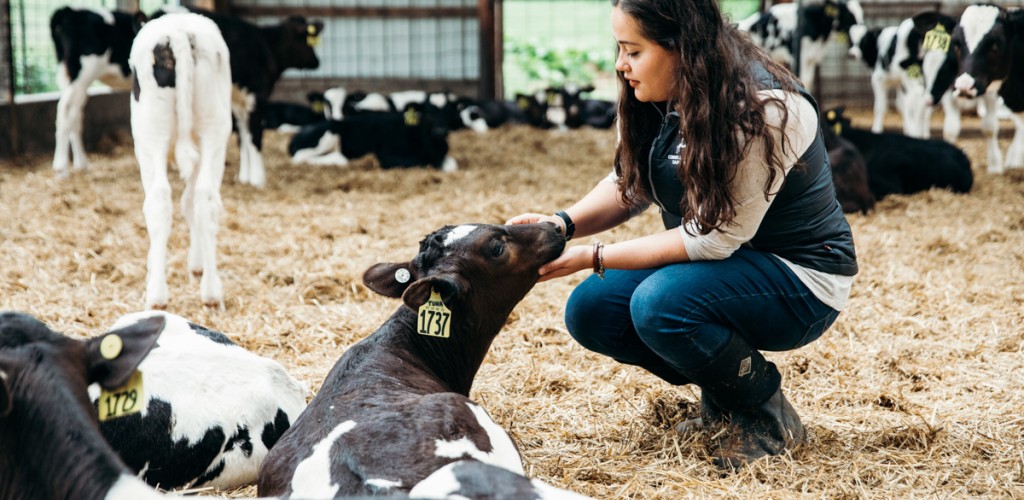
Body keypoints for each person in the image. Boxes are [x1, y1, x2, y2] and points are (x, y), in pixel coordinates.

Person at [507, 0, 858, 469]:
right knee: (591, 310)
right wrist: (562, 224)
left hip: (799, 280)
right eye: (618, 48)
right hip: (719, 272)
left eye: (633, 50)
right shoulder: (659, 94)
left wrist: (593, 255)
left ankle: (765, 412)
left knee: (659, 305)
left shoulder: (766, 108)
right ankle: (726, 394)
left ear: (682, 48)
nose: (620, 65)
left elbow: (713, 240)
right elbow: (630, 183)